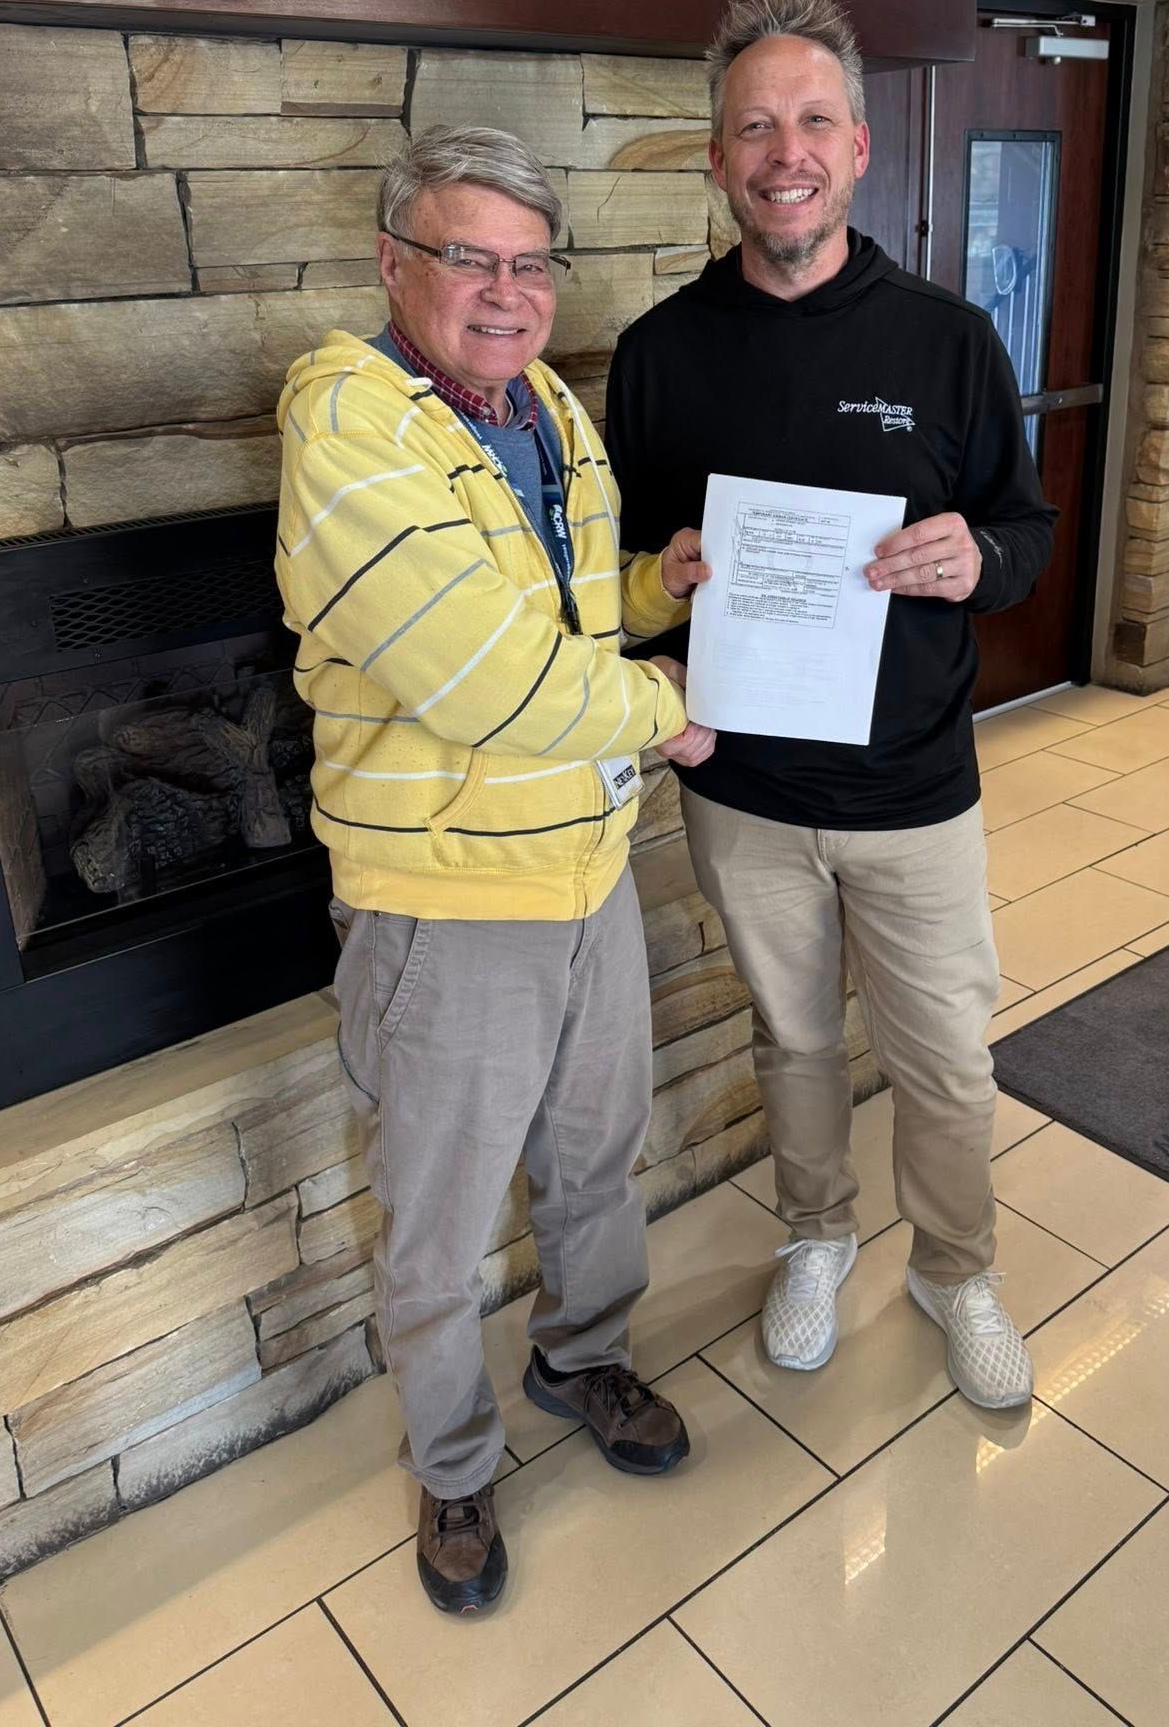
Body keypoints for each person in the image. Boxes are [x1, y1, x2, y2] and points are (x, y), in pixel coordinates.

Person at [275, 125, 714, 1617]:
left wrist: (665, 586)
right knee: (445, 1217)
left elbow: (573, 622)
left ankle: (583, 1360)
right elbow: (479, 676)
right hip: (447, 904)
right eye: (472, 258)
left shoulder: (548, 412)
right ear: (396, 260)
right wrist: (668, 716)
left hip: (585, 870)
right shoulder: (352, 427)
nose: (508, 292)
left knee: (597, 1156)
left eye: (532, 265)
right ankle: (455, 1467)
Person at [607, 0, 1057, 1410]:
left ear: (860, 147)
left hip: (913, 786)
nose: (782, 150)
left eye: (812, 121)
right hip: (741, 789)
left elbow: (1026, 532)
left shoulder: (947, 340)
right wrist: (659, 583)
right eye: (754, 126)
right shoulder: (662, 353)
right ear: (718, 156)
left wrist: (971, 556)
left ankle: (956, 1266)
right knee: (794, 1044)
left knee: (944, 1060)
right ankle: (816, 1235)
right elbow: (615, 570)